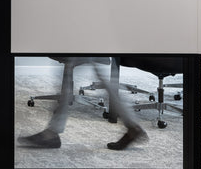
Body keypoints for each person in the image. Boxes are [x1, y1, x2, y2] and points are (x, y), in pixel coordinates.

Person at [17, 57, 147, 151]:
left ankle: (52, 132)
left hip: (87, 37)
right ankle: (132, 126)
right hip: (89, 36)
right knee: (98, 73)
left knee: (74, 63)